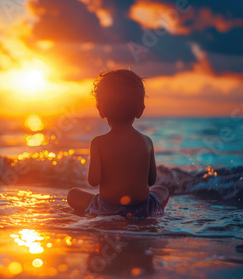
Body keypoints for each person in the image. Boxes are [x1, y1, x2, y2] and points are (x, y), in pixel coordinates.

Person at [67, 69, 169, 217]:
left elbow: (93, 181)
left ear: (101, 111)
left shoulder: (98, 142)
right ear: (140, 111)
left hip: (107, 208)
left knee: (73, 194)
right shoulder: (147, 141)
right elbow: (151, 180)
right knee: (162, 191)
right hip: (143, 208)